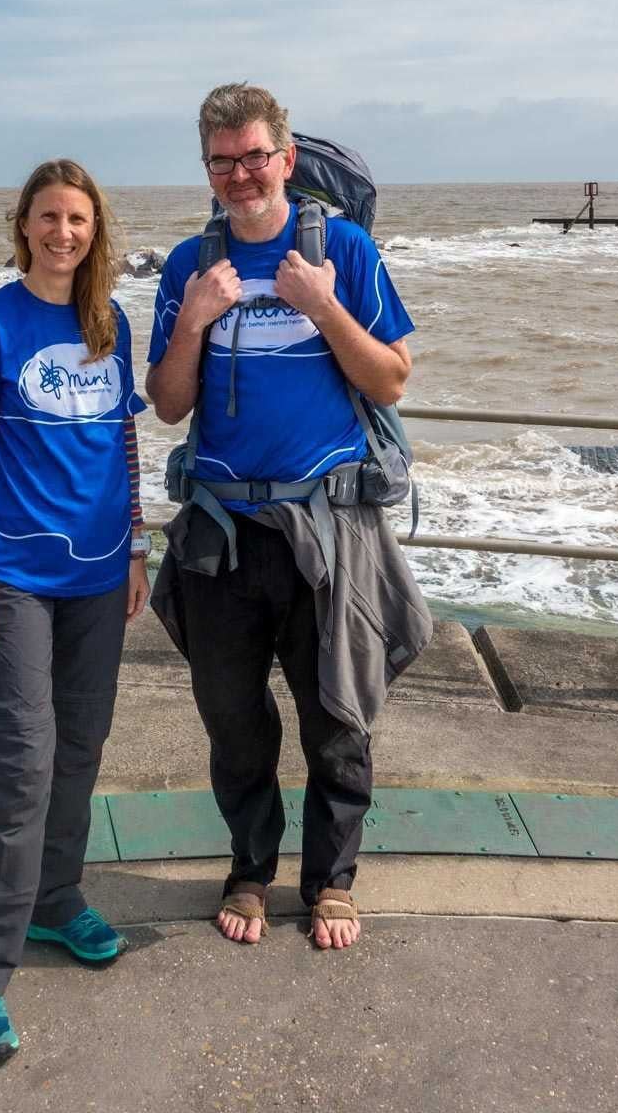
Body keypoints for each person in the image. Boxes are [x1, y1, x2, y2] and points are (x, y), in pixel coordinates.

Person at [147, 83, 432, 952]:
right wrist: (193, 319)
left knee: (336, 717)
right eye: (222, 162)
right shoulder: (187, 266)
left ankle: (332, 881)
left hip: (329, 533)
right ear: (208, 168)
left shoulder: (339, 249)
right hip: (224, 534)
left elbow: (390, 379)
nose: (241, 175)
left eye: (254, 157)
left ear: (286, 159)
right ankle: (250, 867)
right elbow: (166, 404)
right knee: (234, 720)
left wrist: (323, 305)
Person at [0, 159, 150, 1063]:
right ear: (22, 224)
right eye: (50, 217)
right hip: (14, 580)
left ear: (96, 231)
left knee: (82, 748)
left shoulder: (110, 324)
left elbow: (124, 440)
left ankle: (56, 899)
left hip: (100, 577)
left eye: (80, 220)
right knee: (19, 765)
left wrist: (137, 546)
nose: (65, 232)